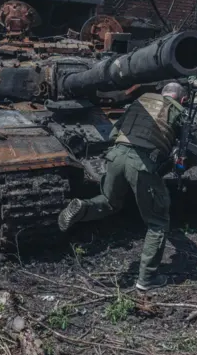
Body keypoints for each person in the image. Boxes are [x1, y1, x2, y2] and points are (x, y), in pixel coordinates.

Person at [58, 82, 189, 291]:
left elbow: (112, 134)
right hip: (142, 163)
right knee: (157, 222)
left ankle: (83, 207)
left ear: (162, 93)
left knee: (109, 201)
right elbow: (185, 150)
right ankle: (147, 279)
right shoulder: (180, 111)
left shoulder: (141, 101)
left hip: (116, 155)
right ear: (182, 100)